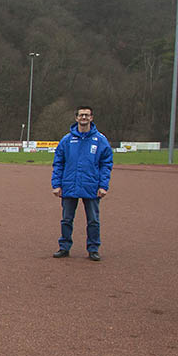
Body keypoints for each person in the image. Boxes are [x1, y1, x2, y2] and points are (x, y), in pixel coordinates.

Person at [51, 106, 113, 261]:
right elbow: (58, 163)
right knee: (66, 219)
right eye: (81, 115)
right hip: (69, 184)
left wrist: (103, 186)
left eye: (87, 115)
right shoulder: (66, 140)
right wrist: (56, 184)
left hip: (91, 185)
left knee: (93, 220)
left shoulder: (100, 140)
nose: (84, 118)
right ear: (76, 118)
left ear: (91, 118)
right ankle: (64, 247)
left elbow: (106, 164)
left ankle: (93, 249)